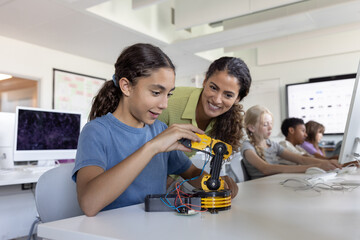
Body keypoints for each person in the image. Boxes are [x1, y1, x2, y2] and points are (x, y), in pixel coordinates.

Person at [72, 43, 238, 217]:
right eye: (156, 93)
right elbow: (89, 204)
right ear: (126, 86)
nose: (164, 104)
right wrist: (152, 147)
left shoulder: (159, 129)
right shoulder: (96, 132)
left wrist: (216, 183)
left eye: (168, 94)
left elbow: (192, 173)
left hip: (156, 227)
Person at [158, 56, 251, 154]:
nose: (217, 100)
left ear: (237, 99)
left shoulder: (228, 123)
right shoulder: (169, 102)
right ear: (205, 81)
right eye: (213, 88)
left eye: (228, 95)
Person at [241, 105, 341, 180]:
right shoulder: (247, 146)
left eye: (271, 124)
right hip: (260, 189)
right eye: (265, 124)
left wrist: (328, 163)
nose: (271, 127)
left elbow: (301, 160)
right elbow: (266, 168)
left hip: (275, 183)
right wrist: (317, 166)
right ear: (251, 128)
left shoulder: (272, 145)